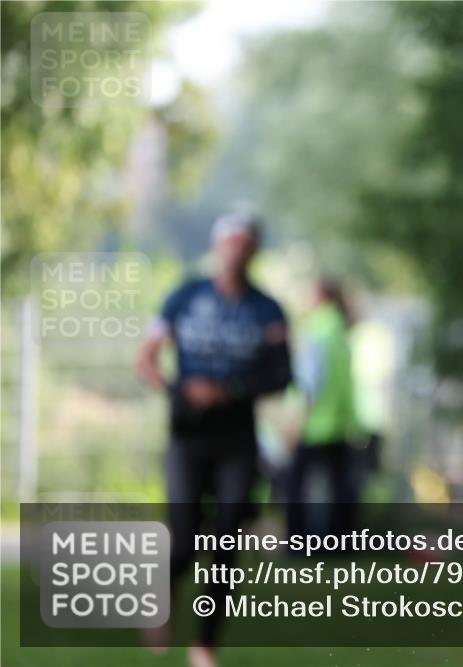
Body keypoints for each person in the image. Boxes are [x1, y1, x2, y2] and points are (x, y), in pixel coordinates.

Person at [136, 212, 291, 667]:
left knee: (226, 543)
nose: (236, 251)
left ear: (254, 251)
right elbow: (145, 358)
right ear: (216, 246)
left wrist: (231, 390)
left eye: (245, 244)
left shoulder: (267, 309)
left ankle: (203, 646)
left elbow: (283, 374)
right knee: (184, 541)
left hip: (237, 441)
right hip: (187, 438)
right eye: (230, 242)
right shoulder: (185, 295)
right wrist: (178, 391)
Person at [285, 277, 362, 552]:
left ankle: (297, 545)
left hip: (313, 423)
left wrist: (296, 420)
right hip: (340, 424)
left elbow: (310, 381)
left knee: (295, 486)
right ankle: (339, 546)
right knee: (340, 489)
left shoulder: (315, 329)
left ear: (320, 297)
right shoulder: (341, 331)